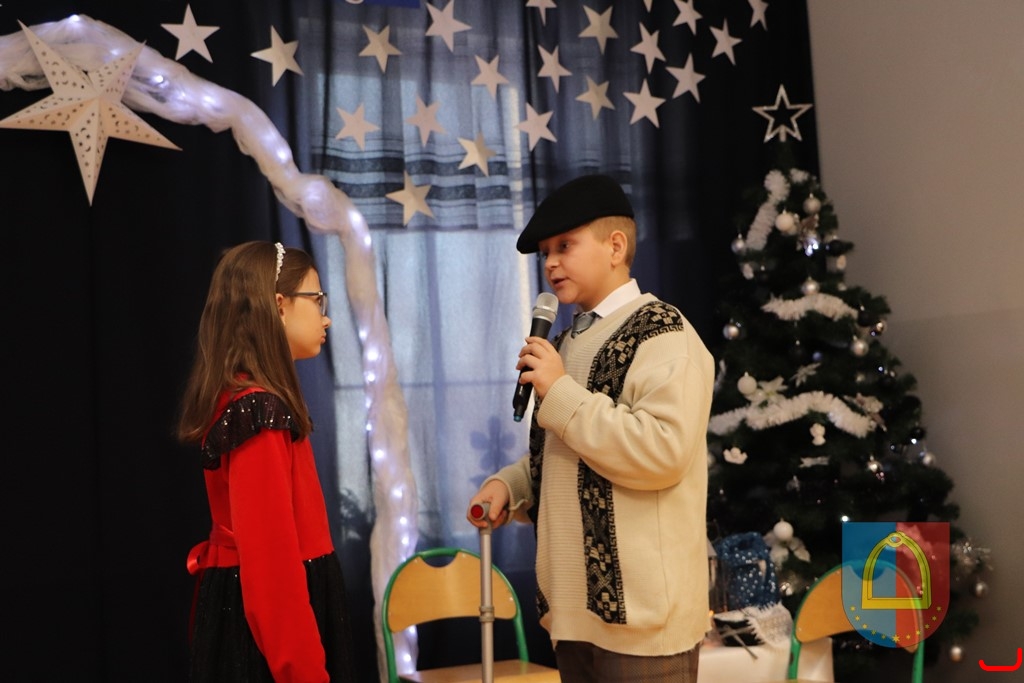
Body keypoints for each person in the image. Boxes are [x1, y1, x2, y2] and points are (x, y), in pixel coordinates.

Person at [467, 175, 714, 682]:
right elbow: (567, 450)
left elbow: (661, 452)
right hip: (574, 617)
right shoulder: (567, 342)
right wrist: (512, 486)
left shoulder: (665, 333)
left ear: (615, 247)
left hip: (644, 626)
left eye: (565, 245)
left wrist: (558, 392)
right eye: (545, 252)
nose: (550, 262)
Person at [178, 241, 353, 683]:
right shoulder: (258, 411)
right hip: (271, 644)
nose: (326, 317)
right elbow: (272, 571)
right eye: (317, 299)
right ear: (279, 305)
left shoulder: (251, 401)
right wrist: (305, 673)